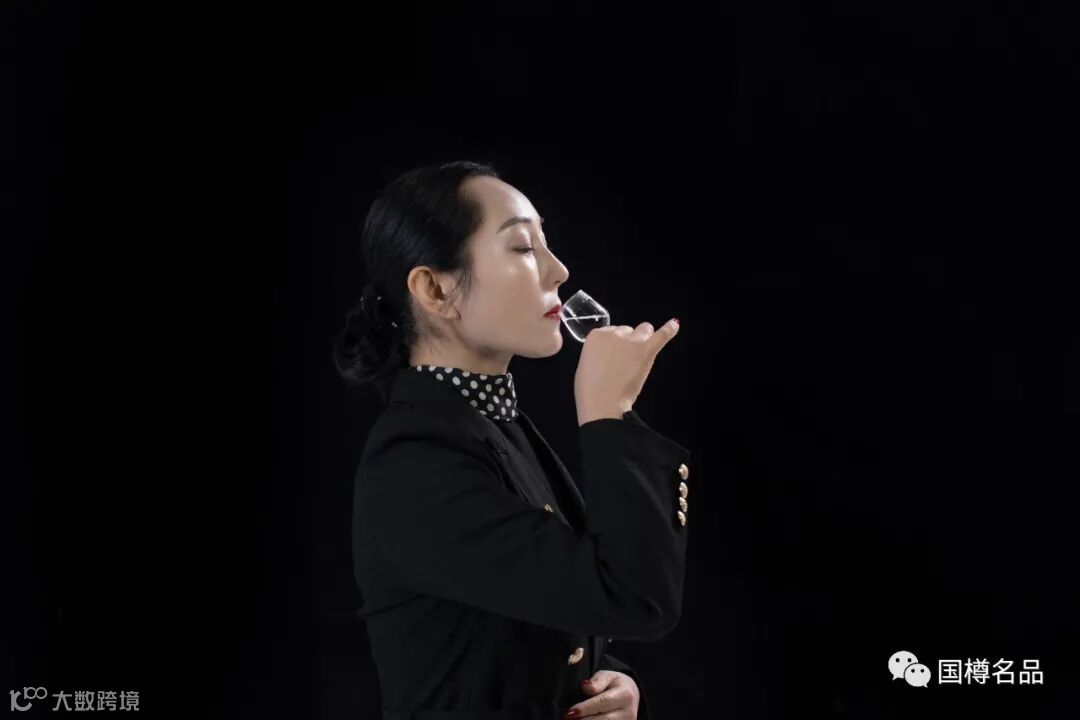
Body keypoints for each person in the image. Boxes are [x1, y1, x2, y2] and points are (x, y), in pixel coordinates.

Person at [332, 160, 692, 720]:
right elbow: (635, 600)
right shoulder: (414, 461)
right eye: (523, 247)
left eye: (545, 244)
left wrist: (612, 683)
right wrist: (607, 414)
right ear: (434, 289)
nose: (559, 270)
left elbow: (548, 606)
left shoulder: (492, 423)